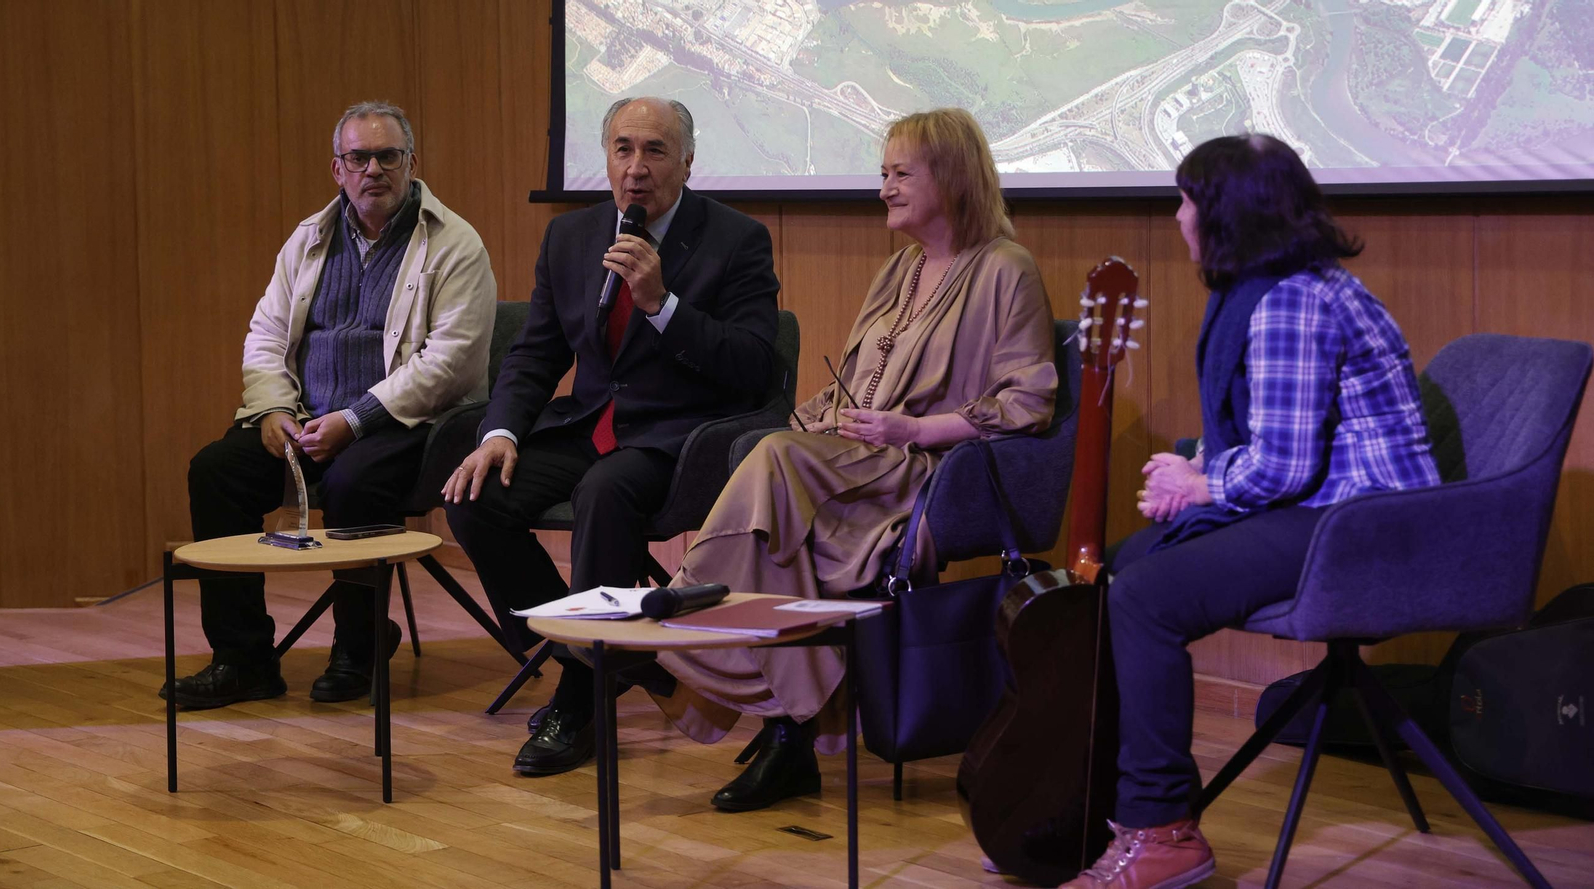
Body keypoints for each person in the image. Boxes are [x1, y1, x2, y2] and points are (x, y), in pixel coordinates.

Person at [1060, 134, 1442, 888]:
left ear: (1228, 216)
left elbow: (1286, 465)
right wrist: (1198, 467)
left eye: (1188, 200)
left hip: (1368, 529)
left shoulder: (1294, 301)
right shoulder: (1278, 288)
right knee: (1132, 566)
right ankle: (1104, 808)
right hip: (1327, 508)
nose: (1177, 217)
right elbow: (1280, 440)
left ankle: (1164, 829)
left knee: (1145, 596)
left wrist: (1199, 484)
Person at [651, 107, 1058, 812]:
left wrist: (915, 428)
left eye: (902, 174)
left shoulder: (1005, 270)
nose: (885, 189)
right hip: (848, 461)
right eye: (883, 174)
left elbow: (1030, 402)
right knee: (775, 474)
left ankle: (684, 623)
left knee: (776, 462)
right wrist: (826, 417)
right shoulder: (898, 269)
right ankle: (794, 724)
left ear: (952, 177)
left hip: (928, 471)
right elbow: (856, 383)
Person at [441, 96, 780, 777]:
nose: (637, 168)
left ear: (687, 161)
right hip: (587, 425)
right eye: (623, 149)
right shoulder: (571, 237)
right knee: (475, 495)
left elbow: (754, 366)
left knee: (605, 492)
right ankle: (594, 651)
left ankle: (579, 693)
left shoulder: (736, 240)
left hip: (680, 439)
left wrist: (664, 306)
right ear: (605, 159)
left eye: (655, 150)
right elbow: (536, 355)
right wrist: (500, 430)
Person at [165, 101, 497, 709]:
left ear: (412, 163)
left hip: (404, 424)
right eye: (358, 158)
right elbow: (266, 333)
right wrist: (271, 409)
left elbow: (451, 363)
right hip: (304, 418)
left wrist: (355, 419)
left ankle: (360, 646)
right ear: (337, 169)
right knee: (216, 472)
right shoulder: (307, 239)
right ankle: (243, 660)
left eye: (388, 156)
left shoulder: (456, 243)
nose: (373, 169)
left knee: (354, 483)